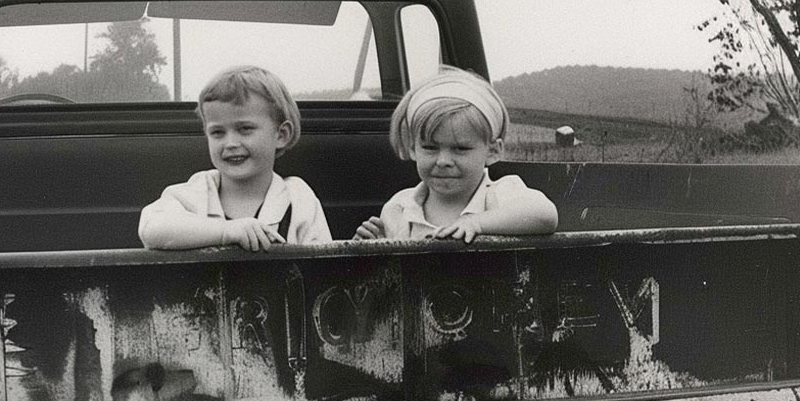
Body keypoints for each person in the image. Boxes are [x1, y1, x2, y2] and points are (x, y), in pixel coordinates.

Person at [139, 65, 332, 250]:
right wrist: (226, 231)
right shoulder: (196, 192)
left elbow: (323, 263)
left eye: (245, 129)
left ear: (281, 135)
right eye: (217, 132)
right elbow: (150, 228)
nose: (230, 143)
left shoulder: (297, 198)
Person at [354, 67, 557, 242]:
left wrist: (477, 223)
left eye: (460, 149)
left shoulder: (499, 194)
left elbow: (545, 215)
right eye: (430, 148)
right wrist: (372, 247)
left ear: (493, 151)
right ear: (413, 148)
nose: (443, 161)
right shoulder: (400, 208)